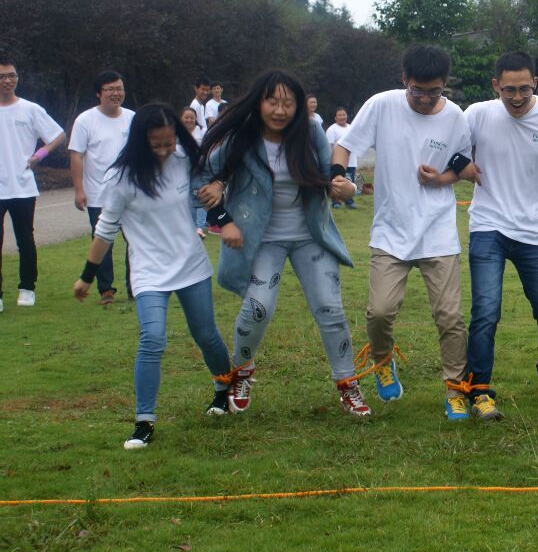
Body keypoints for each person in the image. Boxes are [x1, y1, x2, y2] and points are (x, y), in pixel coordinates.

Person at [195, 69, 371, 418]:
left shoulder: (310, 131)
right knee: (258, 307)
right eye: (272, 102)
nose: (280, 110)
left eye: (288, 103)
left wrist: (345, 187)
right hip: (263, 240)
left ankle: (347, 383)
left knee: (330, 308)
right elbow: (204, 176)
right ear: (259, 102)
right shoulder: (242, 136)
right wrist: (220, 202)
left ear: (299, 106)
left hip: (310, 235)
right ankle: (242, 371)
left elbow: (332, 173)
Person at [73, 104, 233, 449]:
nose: (163, 151)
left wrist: (219, 188)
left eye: (169, 143)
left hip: (190, 265)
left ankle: (224, 389)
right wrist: (87, 276)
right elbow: (105, 231)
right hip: (149, 271)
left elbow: (215, 181)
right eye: (155, 145)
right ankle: (144, 422)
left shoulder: (184, 160)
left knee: (206, 335)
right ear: (139, 141)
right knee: (153, 338)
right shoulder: (121, 178)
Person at [332, 45, 476, 421]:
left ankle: (455, 389)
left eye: (435, 91)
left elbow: (461, 162)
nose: (426, 99)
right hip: (391, 231)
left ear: (445, 84)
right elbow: (346, 145)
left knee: (449, 316)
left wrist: (441, 178)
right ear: (404, 80)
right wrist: (338, 176)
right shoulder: (382, 105)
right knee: (379, 312)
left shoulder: (455, 117)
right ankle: (383, 362)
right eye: (418, 91)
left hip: (438, 232)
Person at [461, 51, 538, 418]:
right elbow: (450, 146)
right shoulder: (477, 114)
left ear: (535, 84)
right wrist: (462, 165)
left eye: (524, 89)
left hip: (534, 232)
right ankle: (479, 392)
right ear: (495, 85)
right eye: (508, 90)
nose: (516, 97)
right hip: (488, 226)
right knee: (486, 311)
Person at [0, 55, 66, 312]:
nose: (7, 81)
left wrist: (40, 154)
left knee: (25, 239)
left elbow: (58, 135)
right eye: (2, 76)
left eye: (12, 76)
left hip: (22, 187)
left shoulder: (30, 109)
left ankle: (27, 287)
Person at [69, 71, 135, 305]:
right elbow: (77, 155)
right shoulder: (85, 120)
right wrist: (79, 190)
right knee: (103, 241)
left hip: (131, 193)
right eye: (110, 89)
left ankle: (136, 287)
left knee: (135, 241)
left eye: (119, 88)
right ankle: (106, 290)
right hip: (99, 193)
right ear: (99, 93)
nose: (116, 93)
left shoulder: (133, 118)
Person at [179, 106, 208, 238]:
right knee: (187, 197)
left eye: (192, 117)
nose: (189, 120)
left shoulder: (202, 132)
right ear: (181, 118)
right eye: (186, 117)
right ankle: (191, 226)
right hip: (182, 170)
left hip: (199, 169)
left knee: (201, 197)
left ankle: (200, 227)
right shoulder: (177, 132)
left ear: (196, 118)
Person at [324, 107, 355, 209]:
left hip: (351, 162)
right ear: (335, 118)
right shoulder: (332, 129)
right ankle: (336, 202)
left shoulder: (352, 128)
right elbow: (329, 146)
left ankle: (349, 201)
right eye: (340, 115)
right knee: (337, 182)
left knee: (350, 181)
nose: (342, 117)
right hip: (337, 163)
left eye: (344, 115)